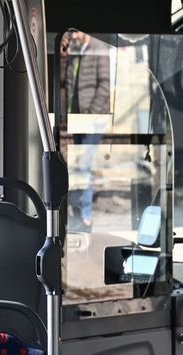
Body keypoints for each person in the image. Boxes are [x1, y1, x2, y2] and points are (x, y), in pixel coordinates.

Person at [57, 31, 111, 231]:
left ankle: (85, 216)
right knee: (79, 164)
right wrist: (63, 57)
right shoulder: (75, 50)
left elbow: (105, 84)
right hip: (77, 117)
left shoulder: (99, 47)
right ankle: (80, 213)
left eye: (77, 32)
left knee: (84, 165)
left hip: (93, 118)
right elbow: (63, 80)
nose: (75, 36)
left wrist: (91, 113)